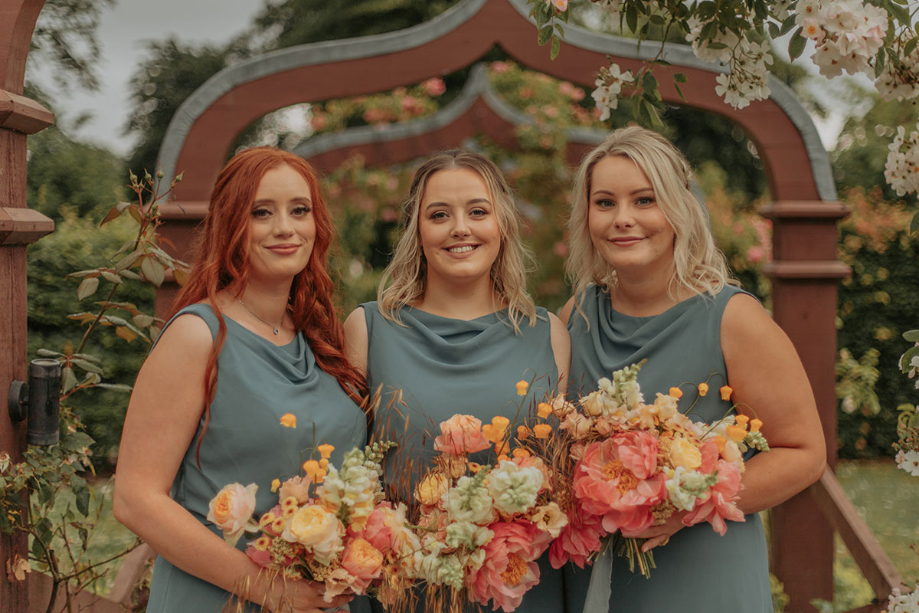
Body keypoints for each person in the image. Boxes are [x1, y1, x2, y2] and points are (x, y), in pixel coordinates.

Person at [559, 126, 826, 612]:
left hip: (702, 571)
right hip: (597, 571)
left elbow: (804, 451)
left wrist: (686, 502)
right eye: (604, 203)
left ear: (679, 208)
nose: (623, 219)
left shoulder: (732, 318)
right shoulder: (576, 315)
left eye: (644, 200)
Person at [113, 147, 368, 613]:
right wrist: (271, 591)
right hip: (221, 599)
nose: (285, 228)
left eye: (299, 210)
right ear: (232, 224)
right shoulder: (198, 334)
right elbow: (136, 499)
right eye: (261, 212)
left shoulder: (322, 338)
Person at [343, 149, 570, 612]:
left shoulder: (549, 333)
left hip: (523, 592)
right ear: (417, 230)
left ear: (502, 224)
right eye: (440, 215)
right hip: (406, 592)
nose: (460, 228)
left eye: (478, 212)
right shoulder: (369, 329)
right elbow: (351, 482)